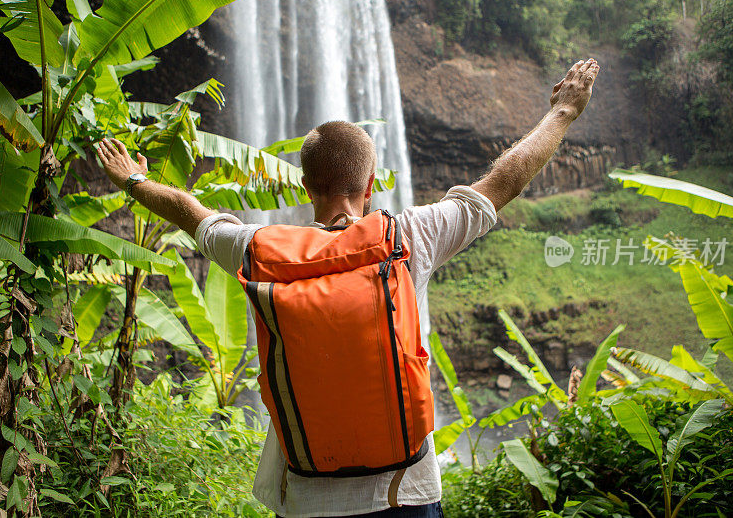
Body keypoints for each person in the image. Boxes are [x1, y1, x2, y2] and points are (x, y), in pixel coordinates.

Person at [96, 58, 600, 518]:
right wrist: (563, 112)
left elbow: (194, 214)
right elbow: (500, 185)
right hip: (408, 492)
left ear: (303, 184)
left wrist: (135, 180)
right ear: (373, 181)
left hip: (310, 497)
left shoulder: (257, 251)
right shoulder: (410, 238)